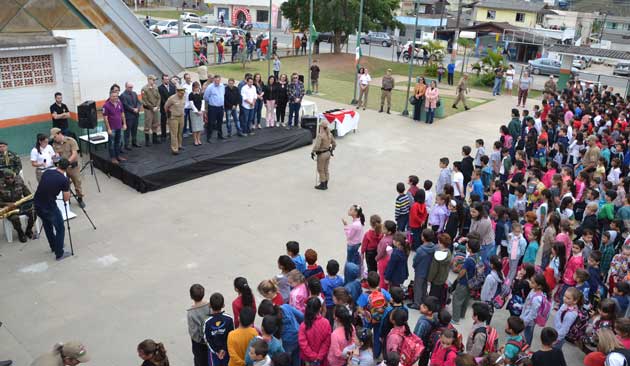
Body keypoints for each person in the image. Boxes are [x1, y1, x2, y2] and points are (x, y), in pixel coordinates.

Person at [34, 158, 70, 260]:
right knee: (60, 228)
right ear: (67, 168)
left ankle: (54, 246)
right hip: (49, 206)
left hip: (37, 203)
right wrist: (67, 187)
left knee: (47, 225)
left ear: (58, 165)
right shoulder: (64, 180)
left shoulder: (47, 172)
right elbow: (66, 198)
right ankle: (59, 253)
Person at [50, 128, 84, 207]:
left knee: (77, 182)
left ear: (59, 134)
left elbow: (74, 154)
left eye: (55, 137)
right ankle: (67, 199)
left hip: (73, 167)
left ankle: (80, 198)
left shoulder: (71, 141)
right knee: (65, 184)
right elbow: (57, 155)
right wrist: (55, 159)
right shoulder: (55, 144)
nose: (54, 139)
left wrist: (67, 162)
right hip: (63, 168)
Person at [0, 168, 35, 243]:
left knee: (34, 212)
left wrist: (29, 200)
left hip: (20, 204)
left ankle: (28, 230)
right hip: (9, 208)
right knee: (14, 218)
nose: (10, 179)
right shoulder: (1, 185)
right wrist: (7, 204)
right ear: (4, 178)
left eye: (12, 177)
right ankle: (20, 233)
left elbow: (27, 194)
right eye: (7, 178)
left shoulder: (19, 181)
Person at [205, 293, 235, 366]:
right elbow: (231, 336)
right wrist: (224, 349)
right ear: (223, 305)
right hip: (226, 351)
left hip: (214, 353)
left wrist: (216, 351)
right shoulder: (229, 319)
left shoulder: (207, 322)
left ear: (210, 305)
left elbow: (207, 339)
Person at [102, 90, 127, 165]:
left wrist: (124, 124)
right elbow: (105, 118)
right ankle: (113, 157)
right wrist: (108, 129)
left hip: (119, 126)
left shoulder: (119, 103)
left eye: (116, 96)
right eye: (113, 96)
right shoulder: (106, 105)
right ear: (110, 96)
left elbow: (122, 114)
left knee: (118, 142)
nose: (115, 97)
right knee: (112, 143)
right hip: (112, 128)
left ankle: (118, 156)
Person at [188, 284, 210, 366]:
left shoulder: (191, 313)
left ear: (191, 297)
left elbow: (193, 331)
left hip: (199, 343)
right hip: (210, 337)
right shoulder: (210, 305)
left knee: (199, 360)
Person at [311, 120, 336, 190]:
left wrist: (313, 152)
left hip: (322, 155)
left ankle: (322, 184)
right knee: (326, 169)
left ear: (321, 127)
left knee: (320, 169)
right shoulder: (330, 134)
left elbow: (317, 146)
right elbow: (334, 144)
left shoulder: (320, 135)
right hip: (328, 153)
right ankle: (326, 183)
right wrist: (332, 150)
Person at [164, 85, 187, 155]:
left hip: (181, 116)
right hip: (173, 118)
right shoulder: (172, 98)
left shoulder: (184, 97)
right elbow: (165, 106)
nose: (182, 94)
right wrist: (169, 115)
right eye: (181, 93)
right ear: (177, 91)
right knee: (174, 133)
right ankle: (175, 149)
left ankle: (179, 145)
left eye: (183, 93)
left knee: (180, 132)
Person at [119, 81, 142, 149]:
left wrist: (137, 108)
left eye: (132, 87)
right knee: (127, 131)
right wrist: (133, 109)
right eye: (129, 87)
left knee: (134, 130)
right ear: (126, 87)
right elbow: (125, 105)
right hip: (128, 116)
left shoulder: (134, 93)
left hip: (135, 115)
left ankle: (134, 142)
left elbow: (138, 102)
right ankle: (127, 144)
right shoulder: (122, 95)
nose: (131, 88)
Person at [141, 75, 161, 146]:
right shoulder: (144, 89)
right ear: (149, 80)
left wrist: (157, 106)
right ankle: (147, 141)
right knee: (148, 124)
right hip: (148, 109)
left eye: (155, 80)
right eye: (153, 80)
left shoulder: (155, 87)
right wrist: (152, 108)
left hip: (155, 108)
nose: (154, 81)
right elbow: (145, 100)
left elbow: (159, 97)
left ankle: (154, 139)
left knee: (155, 123)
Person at [204, 75, 225, 142]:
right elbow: (205, 97)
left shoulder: (222, 86)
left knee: (220, 122)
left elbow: (223, 94)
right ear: (213, 80)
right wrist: (212, 101)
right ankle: (209, 137)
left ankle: (220, 135)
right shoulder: (210, 87)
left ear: (220, 80)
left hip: (220, 107)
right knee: (211, 123)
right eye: (216, 81)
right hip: (212, 108)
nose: (217, 82)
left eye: (218, 80)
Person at [158, 74, 176, 142]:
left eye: (168, 79)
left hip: (172, 108)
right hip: (164, 108)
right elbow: (161, 98)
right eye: (165, 79)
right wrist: (167, 105)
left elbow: (174, 96)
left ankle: (172, 135)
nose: (167, 80)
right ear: (162, 80)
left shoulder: (172, 86)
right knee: (163, 122)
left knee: (172, 122)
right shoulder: (159, 88)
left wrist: (172, 105)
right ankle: (163, 135)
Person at [188, 81, 205, 146]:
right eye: (196, 87)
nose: (197, 89)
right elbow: (191, 104)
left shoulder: (200, 94)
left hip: (200, 112)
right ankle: (195, 140)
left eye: (198, 87)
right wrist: (196, 111)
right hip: (193, 112)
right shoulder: (191, 95)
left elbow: (202, 102)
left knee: (200, 127)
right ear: (193, 87)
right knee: (195, 128)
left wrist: (201, 110)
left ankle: (199, 139)